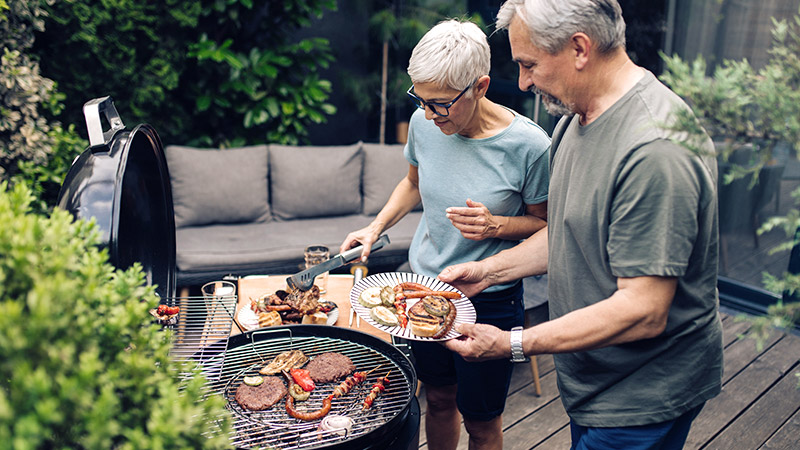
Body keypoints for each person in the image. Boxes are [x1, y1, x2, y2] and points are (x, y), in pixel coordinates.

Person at [439, 1, 724, 449]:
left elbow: (644, 309)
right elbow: (572, 232)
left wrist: (513, 343)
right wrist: (487, 273)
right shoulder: (575, 118)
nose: (524, 82)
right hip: (592, 382)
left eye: (529, 64)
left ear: (579, 49)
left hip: (641, 396)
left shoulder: (655, 150)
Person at [339, 19, 550, 450]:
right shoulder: (425, 123)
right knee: (436, 399)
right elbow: (413, 184)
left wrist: (498, 225)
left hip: (488, 300)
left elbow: (548, 228)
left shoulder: (531, 146)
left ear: (481, 86)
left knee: (482, 422)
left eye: (441, 104)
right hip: (419, 291)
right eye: (421, 100)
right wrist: (373, 228)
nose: (429, 113)